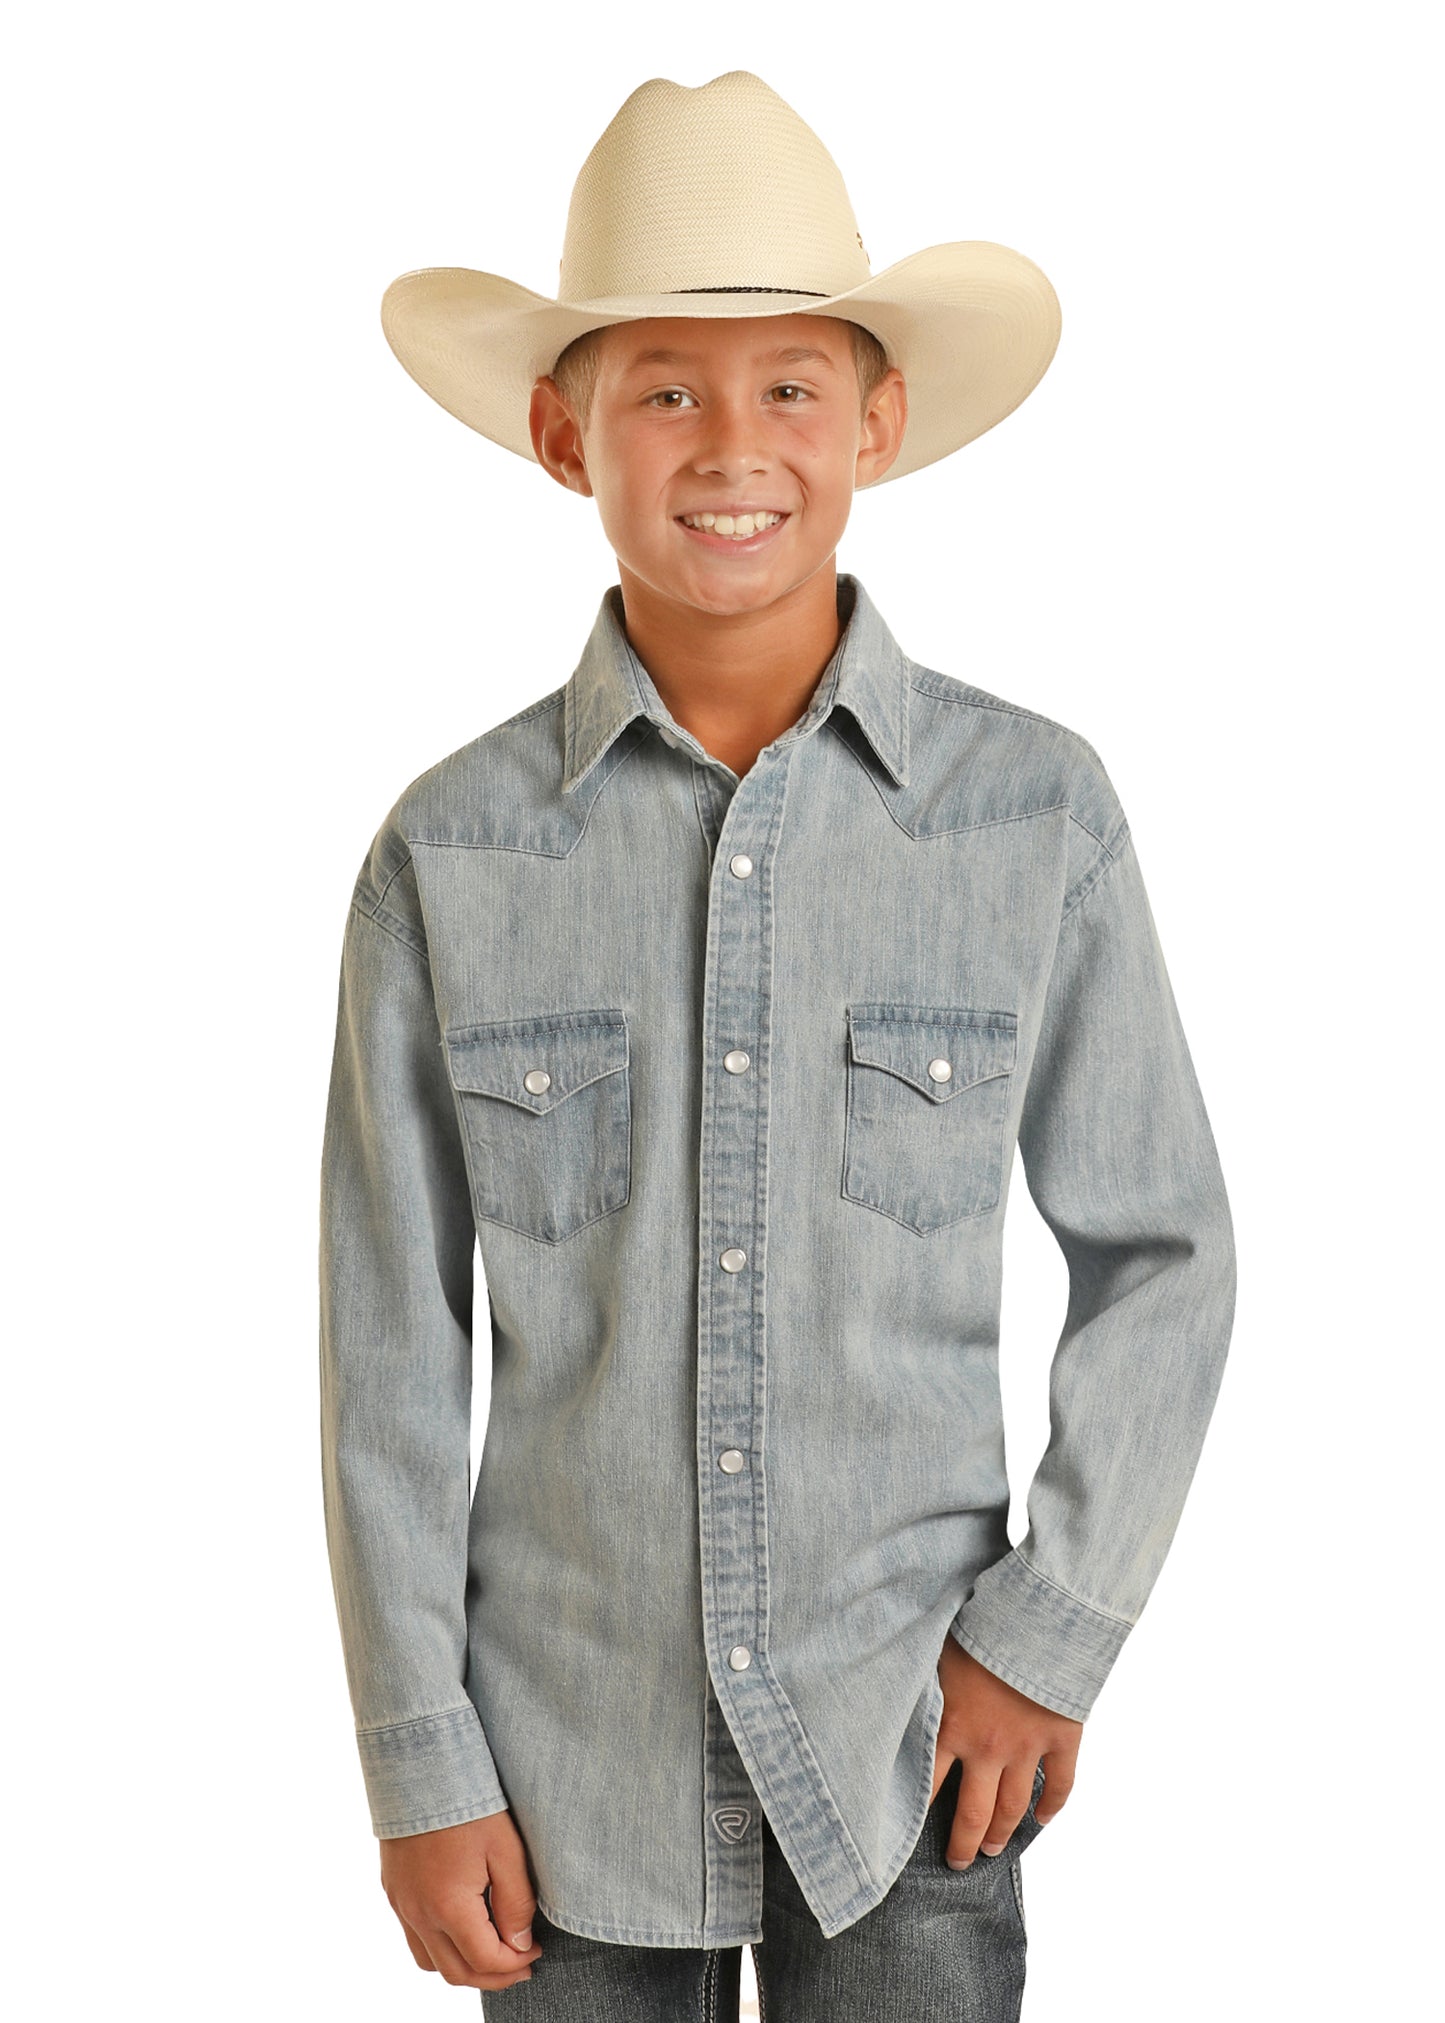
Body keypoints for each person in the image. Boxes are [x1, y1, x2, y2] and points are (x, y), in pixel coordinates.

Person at [318, 70, 1236, 2021]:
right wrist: (418, 1751)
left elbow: (1166, 1254)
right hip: (555, 1779)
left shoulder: (1031, 819)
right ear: (566, 434)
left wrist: (1047, 1633)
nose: (730, 447)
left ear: (877, 421)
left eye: (788, 388)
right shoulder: (451, 855)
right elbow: (390, 1347)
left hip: (913, 1755)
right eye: (664, 386)